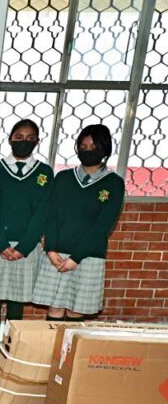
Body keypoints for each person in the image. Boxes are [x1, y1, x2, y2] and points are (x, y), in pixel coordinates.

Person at [0, 119, 53, 366]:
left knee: (16, 298)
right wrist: (0, 244)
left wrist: (24, 247)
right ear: (9, 139)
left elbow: (42, 213)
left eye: (30, 138)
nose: (24, 142)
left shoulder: (44, 172)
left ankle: (11, 348)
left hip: (26, 247)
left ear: (37, 141)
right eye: (18, 137)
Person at [33, 124, 124, 321]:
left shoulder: (114, 183)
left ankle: (72, 343)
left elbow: (103, 226)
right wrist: (50, 250)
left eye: (94, 147)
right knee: (55, 309)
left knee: (76, 311)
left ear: (105, 149)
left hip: (88, 257)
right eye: (83, 146)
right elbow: (51, 215)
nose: (88, 150)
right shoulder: (64, 178)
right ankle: (51, 344)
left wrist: (76, 258)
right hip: (57, 255)